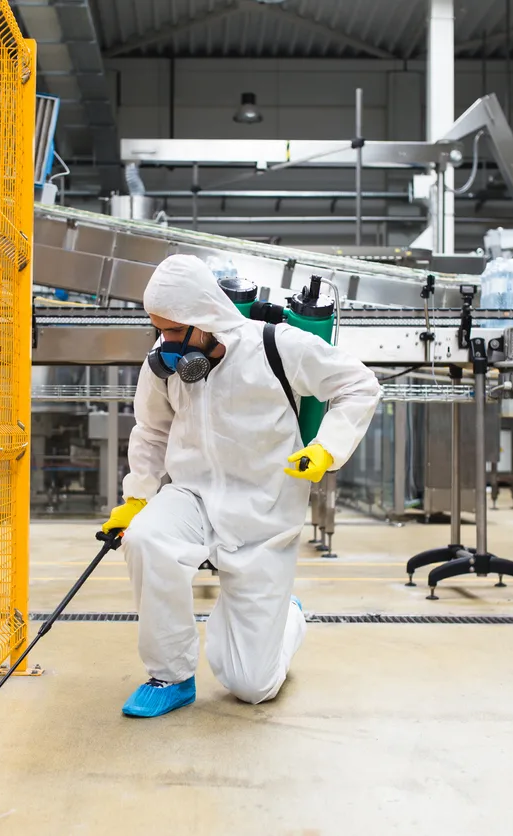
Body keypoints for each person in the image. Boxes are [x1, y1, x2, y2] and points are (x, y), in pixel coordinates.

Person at [103, 254, 380, 718]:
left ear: (205, 316)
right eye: (158, 331)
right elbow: (151, 431)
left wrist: (328, 447)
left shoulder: (276, 345)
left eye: (173, 331)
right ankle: (170, 675)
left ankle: (285, 617)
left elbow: (359, 384)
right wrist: (137, 497)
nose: (164, 343)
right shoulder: (163, 366)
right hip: (192, 497)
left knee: (251, 686)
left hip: (263, 511)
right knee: (147, 539)